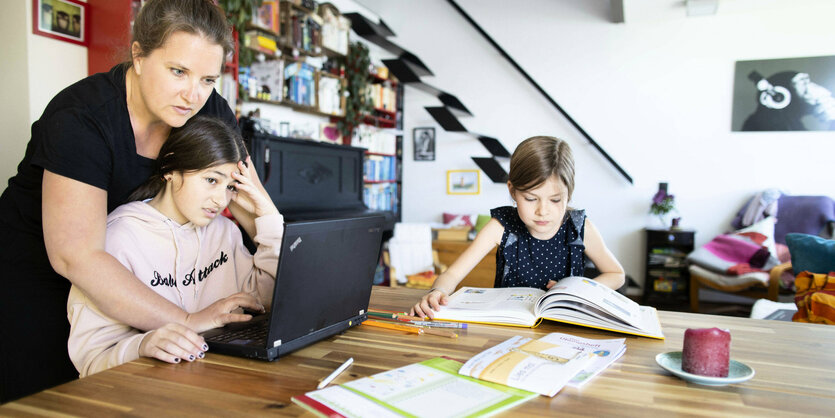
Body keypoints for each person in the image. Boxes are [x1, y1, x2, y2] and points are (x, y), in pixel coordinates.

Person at [0, 0, 264, 402]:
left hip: (122, 276)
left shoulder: (209, 108)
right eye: (178, 71)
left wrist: (286, 256)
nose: (193, 94)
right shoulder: (81, 119)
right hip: (39, 277)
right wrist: (187, 320)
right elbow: (77, 256)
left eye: (208, 79)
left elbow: (248, 200)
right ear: (138, 55)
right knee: (50, 400)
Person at [67, 116, 282, 377]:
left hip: (217, 376)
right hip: (146, 391)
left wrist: (269, 218)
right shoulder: (118, 237)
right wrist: (142, 345)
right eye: (211, 180)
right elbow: (91, 361)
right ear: (170, 169)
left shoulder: (225, 232)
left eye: (229, 187)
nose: (220, 199)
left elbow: (269, 301)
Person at [411, 136, 625, 319]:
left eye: (555, 200)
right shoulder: (501, 227)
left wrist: (579, 291)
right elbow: (453, 274)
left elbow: (616, 274)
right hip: (508, 326)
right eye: (531, 199)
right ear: (512, 191)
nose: (543, 211)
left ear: (569, 193)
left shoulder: (580, 228)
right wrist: (438, 291)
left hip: (565, 326)